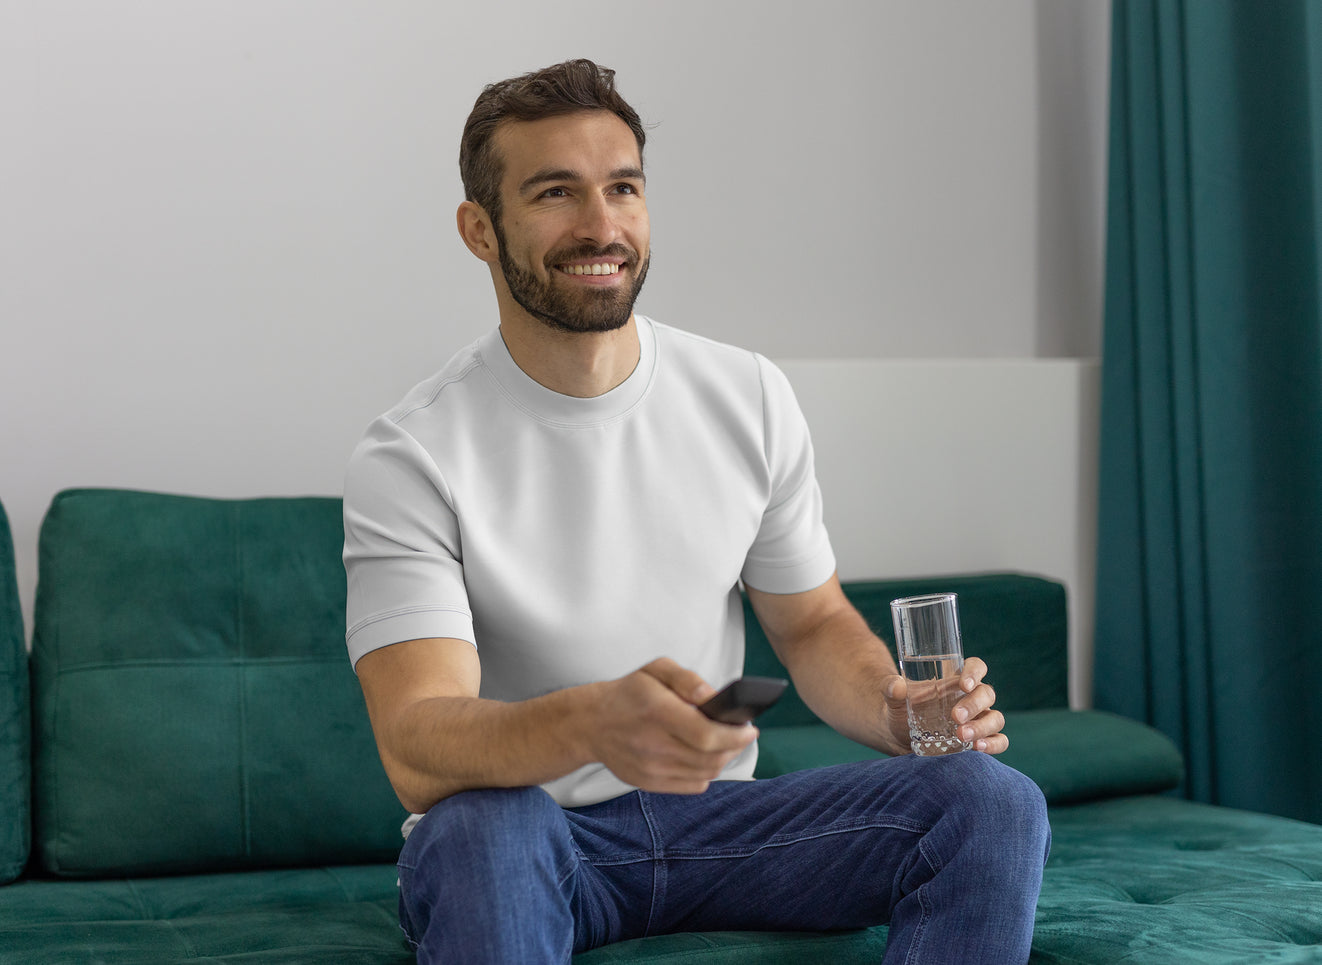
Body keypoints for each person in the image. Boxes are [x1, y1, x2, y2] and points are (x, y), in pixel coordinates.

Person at [343, 59, 1049, 964]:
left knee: (990, 799)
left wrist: (896, 706)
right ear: (480, 230)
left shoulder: (746, 394)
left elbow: (813, 623)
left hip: (724, 825)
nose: (601, 225)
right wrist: (592, 722)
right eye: (556, 192)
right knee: (483, 828)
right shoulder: (413, 452)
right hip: (536, 837)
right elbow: (417, 742)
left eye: (623, 188)